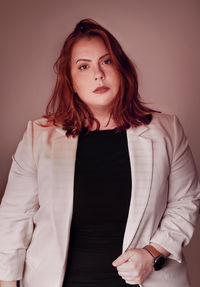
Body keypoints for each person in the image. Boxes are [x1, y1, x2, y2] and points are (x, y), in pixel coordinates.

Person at [0, 18, 199, 287]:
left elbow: (186, 202)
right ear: (70, 81)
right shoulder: (38, 137)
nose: (98, 74)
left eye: (106, 62)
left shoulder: (167, 131)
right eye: (84, 66)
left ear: (122, 69)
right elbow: (13, 219)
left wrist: (152, 254)